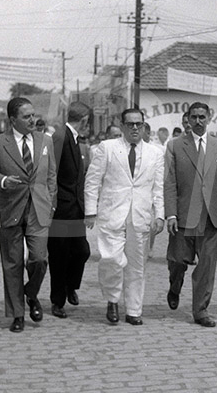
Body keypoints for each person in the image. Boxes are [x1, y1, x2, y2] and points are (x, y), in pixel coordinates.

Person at [84, 108, 164, 326]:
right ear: (122, 126)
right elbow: (92, 180)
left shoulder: (155, 153)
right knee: (111, 259)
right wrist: (90, 210)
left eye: (139, 124)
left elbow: (158, 187)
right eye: (130, 124)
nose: (135, 128)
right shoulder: (107, 148)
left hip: (140, 215)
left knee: (137, 265)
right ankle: (112, 298)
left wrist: (160, 215)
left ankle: (133, 310)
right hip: (112, 214)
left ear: (145, 126)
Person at [0, 97, 58, 333]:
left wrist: (51, 204)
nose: (32, 120)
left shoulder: (45, 140)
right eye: (26, 116)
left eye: (33, 115)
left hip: (39, 209)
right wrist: (4, 180)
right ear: (12, 120)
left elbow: (51, 176)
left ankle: (30, 293)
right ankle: (17, 314)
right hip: (10, 209)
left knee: (39, 259)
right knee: (12, 263)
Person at [163, 102, 217, 328]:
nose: (198, 121)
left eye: (202, 117)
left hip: (210, 216)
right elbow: (170, 182)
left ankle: (200, 310)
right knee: (176, 261)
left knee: (206, 265)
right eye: (194, 117)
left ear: (208, 118)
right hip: (184, 215)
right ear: (187, 119)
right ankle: (175, 285)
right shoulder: (175, 146)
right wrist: (171, 214)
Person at [48, 102, 92, 319]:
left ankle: (70, 285)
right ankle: (57, 300)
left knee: (82, 251)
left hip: (75, 209)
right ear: (84, 120)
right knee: (59, 256)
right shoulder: (60, 137)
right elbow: (50, 173)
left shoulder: (73, 138)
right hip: (61, 210)